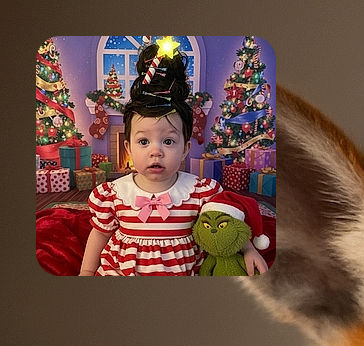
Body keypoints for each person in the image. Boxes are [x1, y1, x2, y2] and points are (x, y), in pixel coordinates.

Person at [79, 42, 268, 277]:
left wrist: (248, 250)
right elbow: (100, 234)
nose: (156, 151)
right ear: (127, 147)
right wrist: (87, 271)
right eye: (143, 141)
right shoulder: (114, 194)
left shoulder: (199, 192)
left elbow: (226, 225)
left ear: (185, 149)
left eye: (168, 142)